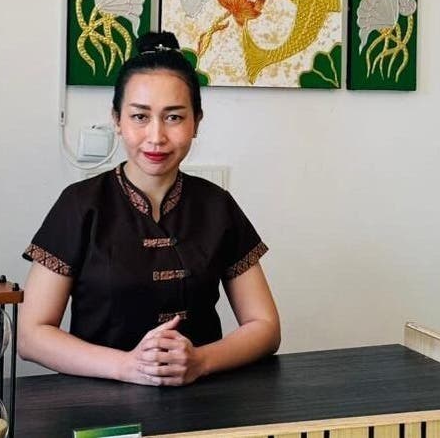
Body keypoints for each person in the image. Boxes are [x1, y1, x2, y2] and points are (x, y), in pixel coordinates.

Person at [18, 31, 280, 386]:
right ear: (117, 120)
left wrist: (200, 361)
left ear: (196, 122)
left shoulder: (217, 206)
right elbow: (31, 335)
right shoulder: (79, 205)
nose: (156, 137)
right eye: (140, 117)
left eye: (174, 118)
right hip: (100, 401)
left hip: (202, 399)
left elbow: (265, 327)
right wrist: (127, 366)